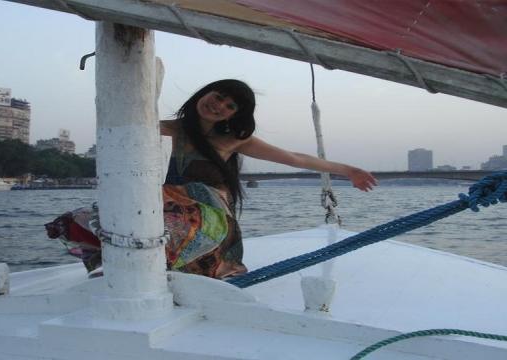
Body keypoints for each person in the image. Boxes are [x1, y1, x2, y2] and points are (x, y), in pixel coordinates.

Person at [46, 79, 377, 279]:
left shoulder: (234, 140)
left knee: (166, 226)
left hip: (209, 218)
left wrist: (348, 170)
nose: (219, 106)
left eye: (230, 105)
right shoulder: (161, 129)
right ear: (204, 93)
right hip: (158, 207)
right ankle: (106, 267)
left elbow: (295, 158)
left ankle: (133, 267)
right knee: (80, 220)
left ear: (235, 115)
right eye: (218, 96)